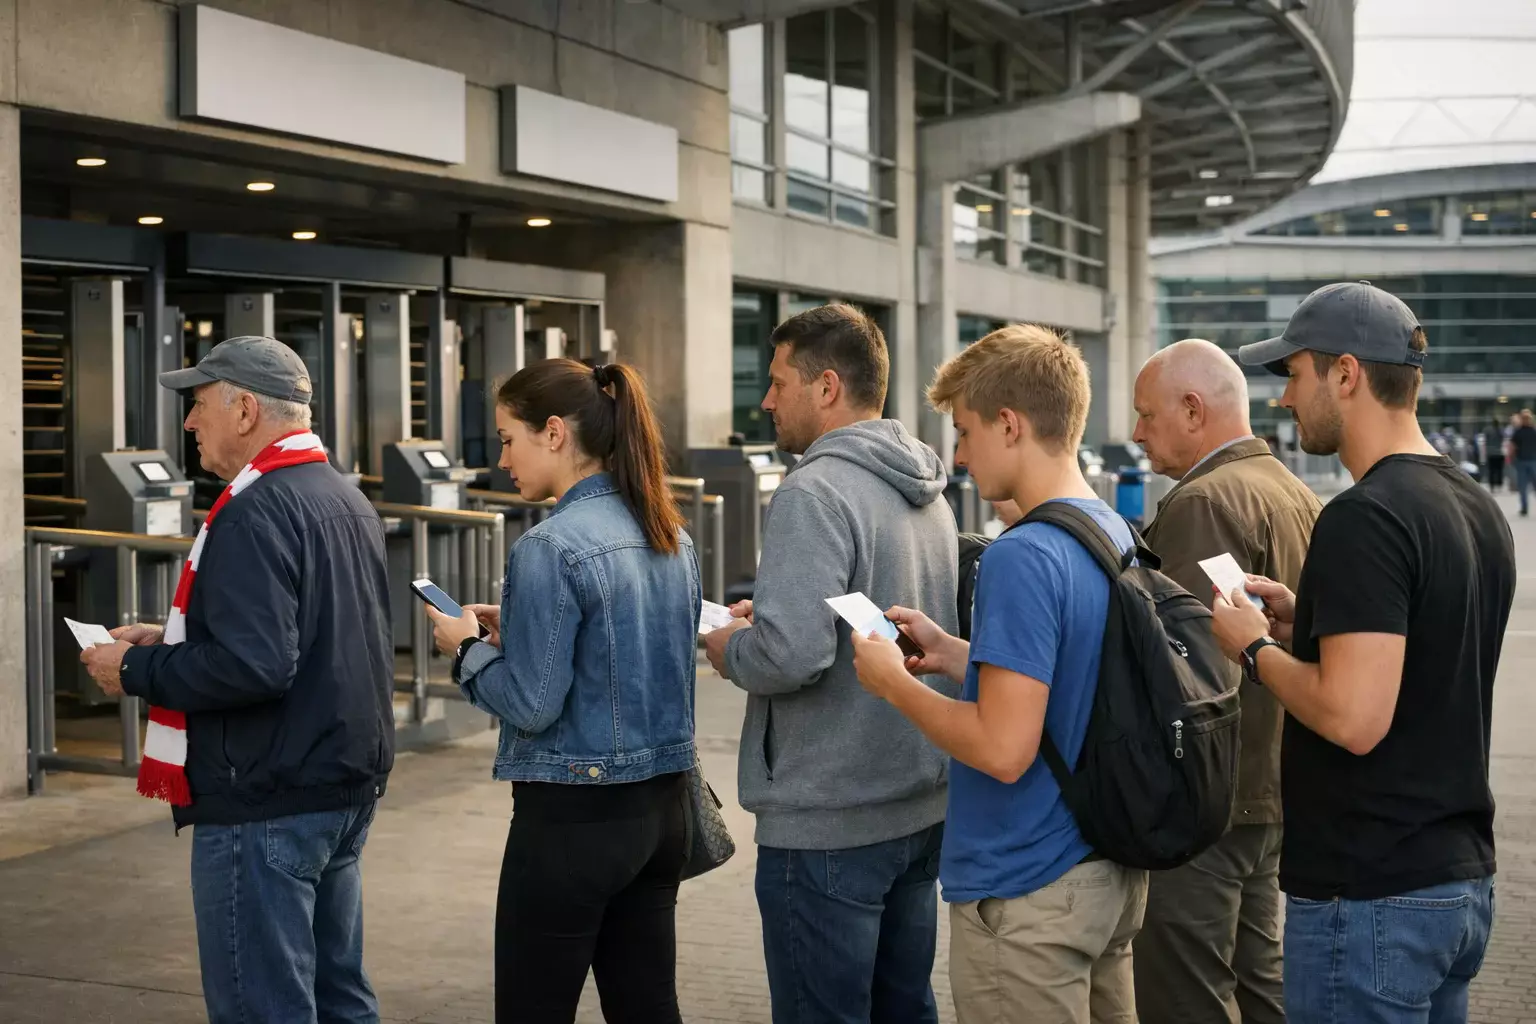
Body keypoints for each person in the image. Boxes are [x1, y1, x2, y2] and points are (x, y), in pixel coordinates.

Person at [1210, 282, 1515, 1022]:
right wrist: (1302, 627)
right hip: (1454, 883)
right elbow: (1418, 663)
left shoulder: (1365, 517)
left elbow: (1353, 717)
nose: (1284, 402)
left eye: (1295, 375)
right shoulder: (1475, 507)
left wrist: (1252, 648)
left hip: (1371, 897)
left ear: (1345, 374)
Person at [78, 336, 394, 1024]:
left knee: (263, 1006)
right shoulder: (340, 496)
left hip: (267, 794)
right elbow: (315, 635)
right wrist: (172, 640)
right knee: (340, 997)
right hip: (339, 781)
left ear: (245, 409)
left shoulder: (255, 510)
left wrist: (131, 667)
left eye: (197, 406)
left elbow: (254, 666)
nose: (189, 424)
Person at [850, 324, 1146, 1024]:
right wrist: (957, 654)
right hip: (1101, 871)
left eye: (964, 431)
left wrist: (896, 684)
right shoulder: (1109, 529)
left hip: (1027, 891)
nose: (957, 456)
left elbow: (1002, 748)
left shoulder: (1023, 554)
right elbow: (1071, 677)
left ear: (1009, 425)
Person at [700, 303, 958, 1024]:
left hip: (828, 820)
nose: (767, 400)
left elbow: (791, 655)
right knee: (905, 1007)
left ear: (827, 387)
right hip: (915, 804)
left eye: (780, 382)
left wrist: (728, 647)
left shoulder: (814, 491)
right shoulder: (925, 488)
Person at [426, 359, 700, 1024]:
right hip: (663, 809)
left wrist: (462, 650)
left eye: (507, 438)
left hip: (573, 823)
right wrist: (516, 629)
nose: (502, 458)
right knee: (647, 1006)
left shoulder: (551, 546)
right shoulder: (671, 533)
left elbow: (531, 704)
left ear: (554, 433)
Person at [1128, 339, 1321, 1024]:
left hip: (1208, 797)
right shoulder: (1291, 489)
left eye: (1147, 415)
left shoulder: (1206, 502)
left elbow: (1177, 670)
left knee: (1185, 991)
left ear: (1192, 408)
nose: (1136, 432)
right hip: (1267, 783)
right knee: (1258, 978)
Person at [1508, 408, 1536, 514]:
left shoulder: (1518, 432)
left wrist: (1511, 458)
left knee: (1523, 486)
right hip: (1532, 460)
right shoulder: (1534, 431)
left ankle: (1524, 507)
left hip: (1522, 460)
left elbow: (1513, 447)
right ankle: (1524, 507)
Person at [1481, 418, 1505, 491]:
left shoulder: (1487, 430)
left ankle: (1492, 486)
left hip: (1490, 453)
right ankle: (1499, 484)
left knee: (1491, 470)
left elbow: (1485, 440)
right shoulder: (1501, 430)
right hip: (1499, 452)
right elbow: (1503, 439)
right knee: (1499, 470)